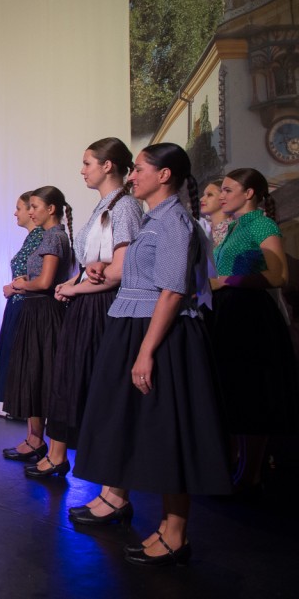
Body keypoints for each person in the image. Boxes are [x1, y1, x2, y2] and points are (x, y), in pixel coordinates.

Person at [72, 143, 231, 566]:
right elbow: (145, 275)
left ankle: (175, 533)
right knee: (141, 426)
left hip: (160, 335)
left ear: (164, 175)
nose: (131, 175)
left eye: (139, 169)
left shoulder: (174, 221)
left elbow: (173, 291)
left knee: (168, 431)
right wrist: (102, 270)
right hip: (135, 326)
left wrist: (145, 351)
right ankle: (144, 514)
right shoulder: (152, 219)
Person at [27, 138, 142, 479]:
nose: (82, 170)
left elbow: (120, 268)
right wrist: (73, 284)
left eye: (87, 163)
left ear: (108, 166)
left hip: (104, 305)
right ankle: (58, 454)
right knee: (69, 377)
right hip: (87, 302)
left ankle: (99, 470)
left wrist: (77, 287)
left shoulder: (125, 207)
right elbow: (92, 263)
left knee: (90, 381)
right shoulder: (105, 205)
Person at [209, 168, 298, 489]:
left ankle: (250, 474)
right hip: (229, 311)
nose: (222, 195)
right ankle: (237, 467)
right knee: (234, 391)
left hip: (250, 314)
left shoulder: (261, 223)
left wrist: (226, 281)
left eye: (228, 190)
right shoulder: (234, 226)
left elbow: (279, 275)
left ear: (249, 194)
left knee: (252, 393)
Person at [0, 186, 74, 461]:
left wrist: (20, 285)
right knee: (35, 374)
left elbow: (44, 282)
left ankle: (52, 451)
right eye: (28, 207)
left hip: (45, 311)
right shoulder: (50, 236)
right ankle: (38, 442)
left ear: (50, 209)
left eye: (34, 207)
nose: (30, 212)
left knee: (44, 376)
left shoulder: (53, 237)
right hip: (36, 311)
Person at [0, 192, 43, 404]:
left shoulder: (40, 237)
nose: (15, 213)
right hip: (18, 305)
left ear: (31, 211)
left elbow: (40, 276)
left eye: (19, 208)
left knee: (23, 366)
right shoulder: (31, 238)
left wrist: (12, 287)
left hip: (26, 306)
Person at [199, 178, 229, 247]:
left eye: (209, 195)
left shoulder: (232, 230)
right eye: (204, 195)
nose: (201, 199)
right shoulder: (203, 227)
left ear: (223, 198)